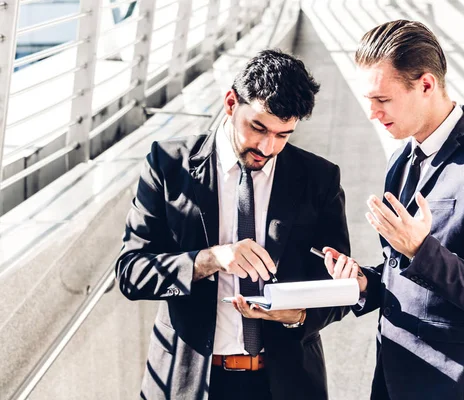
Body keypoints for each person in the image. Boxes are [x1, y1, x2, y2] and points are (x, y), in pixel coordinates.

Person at [116, 49, 351, 400]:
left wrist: (298, 314)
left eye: (283, 134)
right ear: (230, 102)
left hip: (286, 383)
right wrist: (210, 259)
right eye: (258, 127)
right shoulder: (168, 166)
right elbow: (130, 272)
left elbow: (340, 291)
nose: (267, 147)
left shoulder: (319, 178)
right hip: (190, 381)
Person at [322, 20, 464, 400]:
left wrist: (421, 250)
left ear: (426, 85)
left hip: (453, 385)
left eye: (382, 100)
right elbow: (403, 274)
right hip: (393, 377)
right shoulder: (401, 158)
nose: (372, 113)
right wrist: (365, 282)